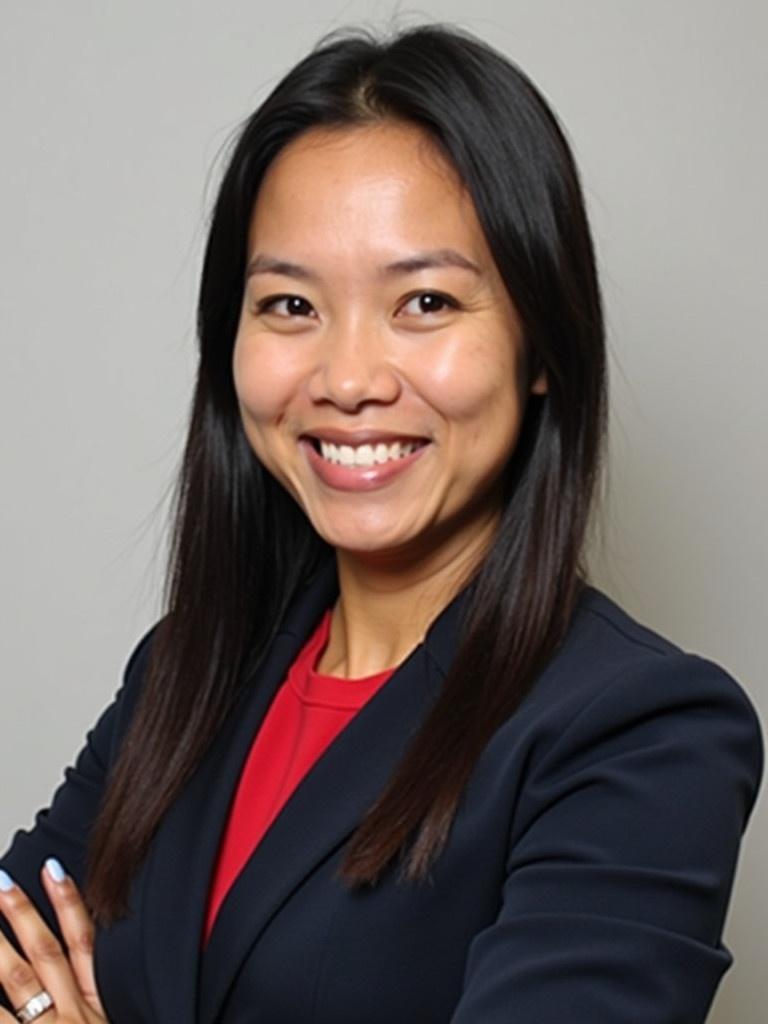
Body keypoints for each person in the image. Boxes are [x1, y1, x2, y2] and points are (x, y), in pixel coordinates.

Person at [0, 22, 762, 1024]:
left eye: (427, 301)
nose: (348, 380)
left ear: (543, 345)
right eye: (288, 306)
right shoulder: (188, 670)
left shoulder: (642, 730)